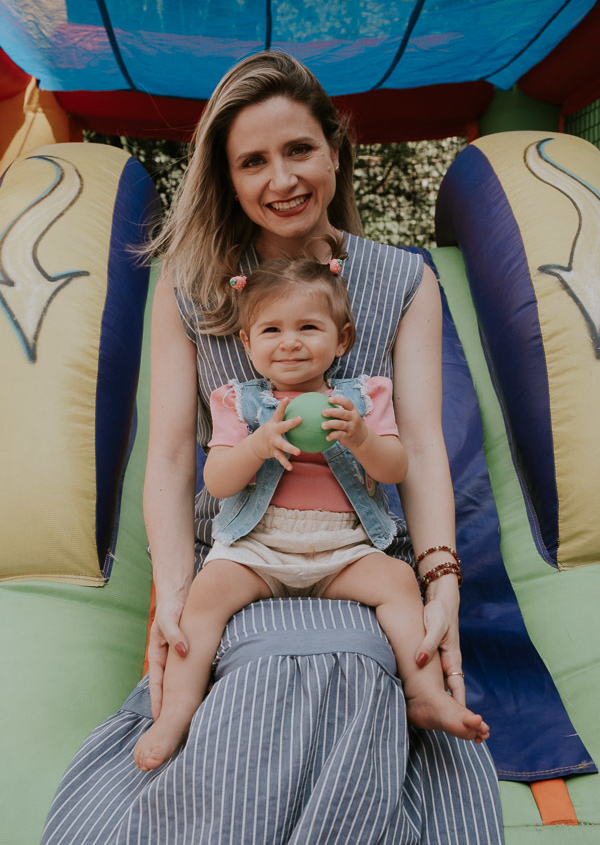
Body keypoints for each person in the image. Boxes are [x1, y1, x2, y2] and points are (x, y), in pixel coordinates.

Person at [42, 51, 503, 843]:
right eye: (252, 161)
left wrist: (440, 581)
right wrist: (177, 600)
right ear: (226, 176)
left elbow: (420, 447)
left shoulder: (402, 282)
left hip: (353, 550)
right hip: (241, 548)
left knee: (353, 662)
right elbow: (171, 457)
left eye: (297, 150)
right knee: (257, 671)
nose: (281, 178)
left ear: (334, 149)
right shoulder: (191, 291)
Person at [133, 252, 489, 772]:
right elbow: (215, 480)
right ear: (247, 344)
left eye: (308, 327)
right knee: (203, 598)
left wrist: (363, 438)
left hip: (342, 546)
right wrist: (257, 447)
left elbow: (395, 468)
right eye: (272, 329)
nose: (291, 341)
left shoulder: (362, 399)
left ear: (341, 339)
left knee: (395, 581)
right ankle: (178, 710)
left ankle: (424, 692)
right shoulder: (239, 403)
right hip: (258, 545)